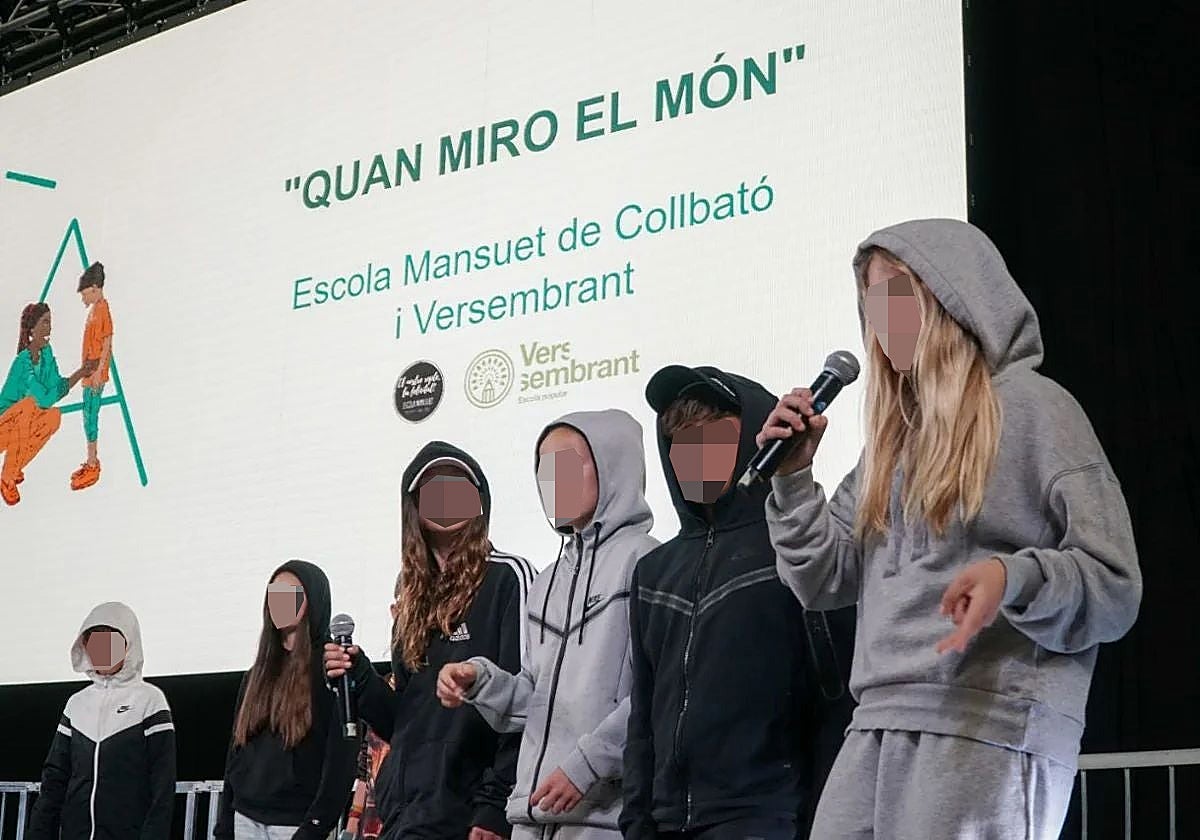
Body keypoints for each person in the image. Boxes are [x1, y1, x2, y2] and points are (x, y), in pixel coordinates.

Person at [760, 218, 1143, 838]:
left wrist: (1011, 576)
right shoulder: (891, 444)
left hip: (989, 724)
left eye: (898, 297)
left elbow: (1114, 586)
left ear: (955, 297)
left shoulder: (1034, 408)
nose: (884, 323)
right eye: (872, 306)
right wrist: (794, 480)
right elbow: (823, 579)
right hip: (876, 723)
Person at [620, 365, 856, 840]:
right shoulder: (653, 571)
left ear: (753, 439)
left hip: (764, 815)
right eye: (681, 444)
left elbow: (832, 703)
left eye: (715, 440)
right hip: (665, 821)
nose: (695, 457)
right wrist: (637, 819)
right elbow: (643, 715)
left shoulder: (799, 549)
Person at [437, 409, 661, 840]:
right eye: (544, 468)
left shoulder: (647, 562)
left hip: (603, 820)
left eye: (567, 464)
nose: (552, 480)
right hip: (530, 816)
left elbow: (652, 697)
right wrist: (480, 681)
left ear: (614, 465)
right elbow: (535, 703)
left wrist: (585, 767)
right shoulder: (546, 581)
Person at [324, 442, 533, 840]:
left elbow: (527, 702)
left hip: (471, 816)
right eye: (433, 489)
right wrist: (360, 675)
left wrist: (495, 809)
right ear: (414, 507)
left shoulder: (509, 576)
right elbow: (405, 719)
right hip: (408, 814)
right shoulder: (410, 595)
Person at [214, 560, 359, 840]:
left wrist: (316, 825)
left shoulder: (332, 670)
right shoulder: (256, 675)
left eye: (291, 595)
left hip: (296, 824)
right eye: (274, 595)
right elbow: (236, 752)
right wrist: (225, 820)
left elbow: (341, 760)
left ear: (313, 601)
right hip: (245, 820)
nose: (279, 603)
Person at [27, 602, 176, 840]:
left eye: (111, 642)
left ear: (129, 645)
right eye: (95, 642)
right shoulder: (76, 704)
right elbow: (54, 779)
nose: (103, 651)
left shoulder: (150, 700)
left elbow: (162, 786)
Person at [0, 303, 95, 505]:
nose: (49, 328)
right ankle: (7, 478)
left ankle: (15, 468)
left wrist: (80, 372)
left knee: (54, 416)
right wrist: (79, 374)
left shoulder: (47, 354)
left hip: (22, 428)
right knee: (28, 406)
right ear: (32, 329)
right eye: (45, 323)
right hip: (4, 427)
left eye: (50, 323)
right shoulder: (23, 361)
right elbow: (43, 398)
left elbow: (57, 387)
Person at [72, 261, 113, 491]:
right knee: (87, 415)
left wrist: (98, 372)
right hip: (89, 374)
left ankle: (93, 463)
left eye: (86, 294)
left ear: (96, 289)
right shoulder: (94, 311)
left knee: (91, 417)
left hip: (96, 375)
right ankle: (90, 461)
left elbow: (107, 342)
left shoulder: (103, 310)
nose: (83, 299)